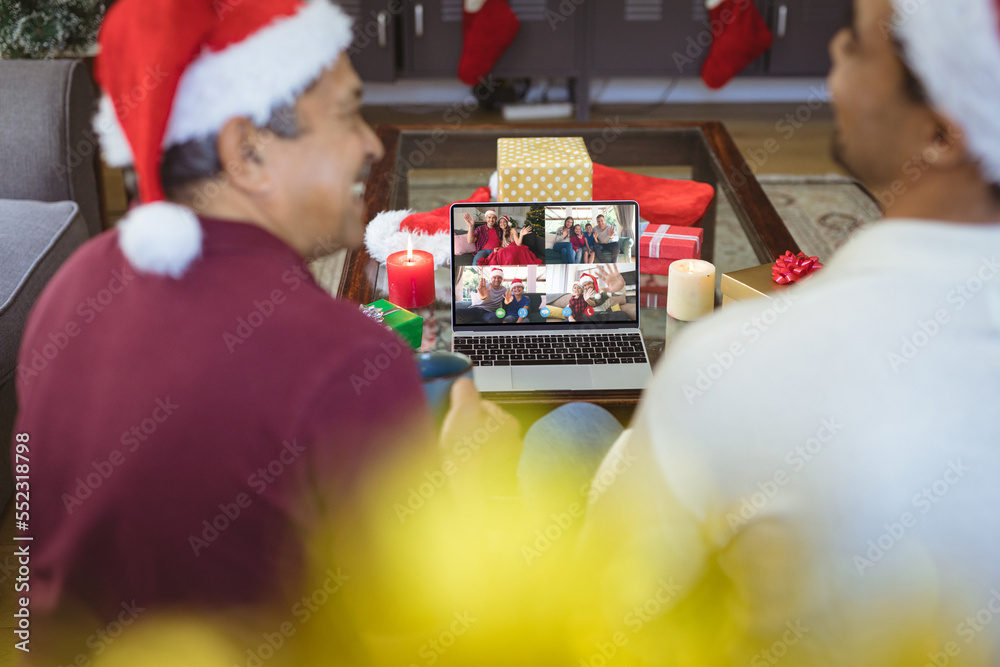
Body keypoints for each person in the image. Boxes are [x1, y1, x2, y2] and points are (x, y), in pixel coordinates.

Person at [13, 0, 521, 660]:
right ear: (246, 151)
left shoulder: (66, 291)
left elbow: (35, 581)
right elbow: (422, 640)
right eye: (345, 115)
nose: (370, 141)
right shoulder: (349, 361)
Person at [572, 0, 1000, 663]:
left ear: (941, 136)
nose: (832, 51)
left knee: (569, 428)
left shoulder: (739, 361)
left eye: (856, 44)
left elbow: (603, 606)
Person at [476, 215, 543, 266]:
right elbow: (503, 245)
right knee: (496, 252)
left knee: (502, 252)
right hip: (507, 249)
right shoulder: (501, 232)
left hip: (516, 248)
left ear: (507, 223)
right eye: (500, 222)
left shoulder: (512, 230)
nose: (502, 224)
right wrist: (498, 248)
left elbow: (518, 244)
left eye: (504, 222)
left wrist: (521, 235)